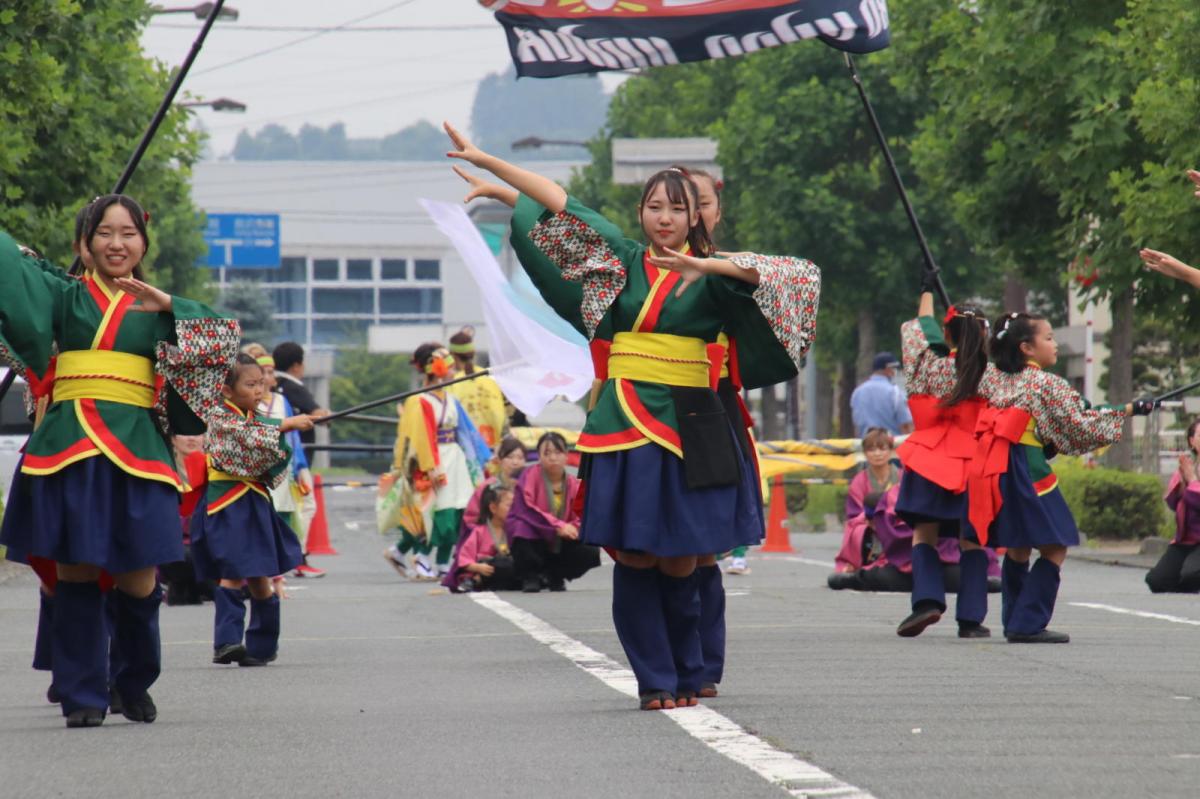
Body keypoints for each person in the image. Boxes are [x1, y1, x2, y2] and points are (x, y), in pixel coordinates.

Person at [445, 121, 820, 710]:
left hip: (692, 423)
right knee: (635, 552)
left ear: (696, 217)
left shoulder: (716, 276)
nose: (664, 218)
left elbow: (794, 277)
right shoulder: (619, 259)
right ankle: (655, 679)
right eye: (654, 207)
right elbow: (560, 205)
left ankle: (691, 670)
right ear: (642, 213)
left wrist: (711, 268)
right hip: (623, 420)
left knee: (684, 555)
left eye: (677, 208)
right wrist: (491, 166)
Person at [0, 194, 239, 727]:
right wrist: (27, 262)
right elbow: (11, 273)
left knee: (138, 576)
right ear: (83, 245)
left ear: (143, 244)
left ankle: (132, 680)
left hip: (137, 451)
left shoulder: (159, 309)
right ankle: (82, 693)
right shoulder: (63, 295)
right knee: (75, 571)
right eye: (104, 233)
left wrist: (170, 305)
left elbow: (223, 342)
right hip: (68, 446)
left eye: (128, 233)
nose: (116, 243)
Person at [966, 312, 1156, 643]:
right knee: (1055, 544)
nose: (1055, 344)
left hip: (991, 465)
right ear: (1026, 347)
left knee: (1018, 545)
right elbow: (1080, 423)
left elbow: (1069, 416)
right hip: (1026, 467)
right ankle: (1026, 623)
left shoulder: (992, 378)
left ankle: (1015, 620)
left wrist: (1126, 408)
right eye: (1049, 338)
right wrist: (1130, 410)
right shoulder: (1046, 383)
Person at [190, 354, 312, 666]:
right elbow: (248, 433)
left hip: (253, 501)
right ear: (226, 390)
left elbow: (262, 437)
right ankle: (227, 642)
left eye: (261, 383)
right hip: (226, 502)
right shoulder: (221, 416)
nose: (259, 390)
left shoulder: (253, 417)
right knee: (232, 571)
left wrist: (291, 424)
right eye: (250, 384)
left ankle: (262, 646)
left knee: (259, 576)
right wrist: (287, 424)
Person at [893, 288, 995, 638]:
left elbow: (920, 328)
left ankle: (927, 601)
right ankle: (971, 619)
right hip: (974, 461)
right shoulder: (991, 374)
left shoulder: (927, 365)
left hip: (929, 458)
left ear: (947, 334)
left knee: (925, 531)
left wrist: (926, 290)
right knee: (973, 538)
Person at [830, 428, 1000, 593]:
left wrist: (887, 518)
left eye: (882, 448)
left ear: (891, 451)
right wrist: (873, 520)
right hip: (890, 546)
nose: (877, 454)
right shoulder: (866, 482)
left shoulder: (904, 478)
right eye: (871, 449)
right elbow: (855, 517)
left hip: (928, 556)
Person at [386, 342, 491, 580]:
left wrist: (481, 458)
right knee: (438, 513)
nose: (454, 371)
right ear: (436, 368)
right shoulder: (419, 400)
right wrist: (430, 467)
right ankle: (422, 557)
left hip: (454, 458)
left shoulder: (450, 399)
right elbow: (421, 438)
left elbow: (466, 431)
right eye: (450, 366)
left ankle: (443, 562)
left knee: (458, 511)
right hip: (434, 462)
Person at [243, 342, 322, 578]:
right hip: (257, 468)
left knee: (288, 513)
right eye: (262, 375)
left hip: (285, 467)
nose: (268, 378)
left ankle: (288, 562)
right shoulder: (247, 403)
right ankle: (266, 568)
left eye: (270, 373)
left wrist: (299, 467)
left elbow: (294, 440)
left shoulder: (281, 401)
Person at [507, 431, 599, 592]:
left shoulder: (573, 483)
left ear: (566, 455)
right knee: (520, 527)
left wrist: (573, 527)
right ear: (539, 456)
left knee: (589, 549)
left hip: (562, 539)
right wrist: (557, 526)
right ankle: (531, 575)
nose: (553, 458)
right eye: (547, 453)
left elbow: (583, 513)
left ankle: (555, 574)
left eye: (558, 452)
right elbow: (526, 508)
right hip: (535, 535)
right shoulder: (529, 476)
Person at [1146, 417, 1200, 593]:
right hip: (1186, 541)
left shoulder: (1191, 473)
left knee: (1192, 576)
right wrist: (1183, 484)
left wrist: (1192, 481)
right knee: (1156, 581)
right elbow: (1172, 503)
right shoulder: (1187, 467)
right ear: (1192, 441)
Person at [445, 326, 508, 448]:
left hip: (464, 446)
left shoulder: (451, 382)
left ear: (453, 356)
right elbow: (499, 415)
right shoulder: (489, 378)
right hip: (491, 445)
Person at [452, 483, 519, 593]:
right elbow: (465, 557)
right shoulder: (479, 531)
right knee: (493, 564)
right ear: (493, 508)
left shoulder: (514, 528)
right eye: (509, 506)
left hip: (508, 567)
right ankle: (475, 580)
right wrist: (477, 567)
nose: (514, 510)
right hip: (487, 569)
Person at [271, 341, 328, 463]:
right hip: (296, 454)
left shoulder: (270, 384)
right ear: (296, 366)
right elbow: (320, 416)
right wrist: (327, 415)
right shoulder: (294, 387)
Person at [851, 351, 914, 437]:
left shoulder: (858, 392)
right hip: (891, 443)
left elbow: (857, 425)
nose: (895, 372)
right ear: (888, 369)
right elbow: (905, 425)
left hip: (866, 442)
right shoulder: (895, 393)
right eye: (894, 368)